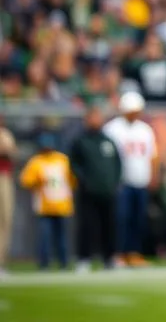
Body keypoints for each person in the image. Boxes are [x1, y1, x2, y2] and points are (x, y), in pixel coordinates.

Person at [103, 91, 159, 267]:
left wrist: (153, 176)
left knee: (138, 219)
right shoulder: (112, 128)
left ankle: (134, 253)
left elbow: (152, 156)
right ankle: (118, 253)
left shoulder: (145, 129)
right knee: (121, 219)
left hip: (140, 181)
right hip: (121, 182)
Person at [69, 104, 122, 272]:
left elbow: (117, 164)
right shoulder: (80, 141)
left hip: (108, 190)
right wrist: (85, 181)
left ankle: (110, 258)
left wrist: (114, 182)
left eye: (99, 117)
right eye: (93, 117)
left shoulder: (108, 141)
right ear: (87, 119)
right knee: (87, 226)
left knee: (109, 226)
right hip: (88, 192)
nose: (97, 120)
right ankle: (83, 259)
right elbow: (73, 164)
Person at [19, 132, 75, 270]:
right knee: (45, 237)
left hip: (62, 204)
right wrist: (37, 181)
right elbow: (25, 180)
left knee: (61, 237)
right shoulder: (36, 161)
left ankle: (63, 262)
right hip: (44, 206)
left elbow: (73, 180)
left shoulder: (63, 160)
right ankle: (44, 263)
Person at [0, 116, 15, 277]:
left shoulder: (6, 134)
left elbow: (11, 152)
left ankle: (1, 262)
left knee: (5, 219)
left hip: (4, 176)